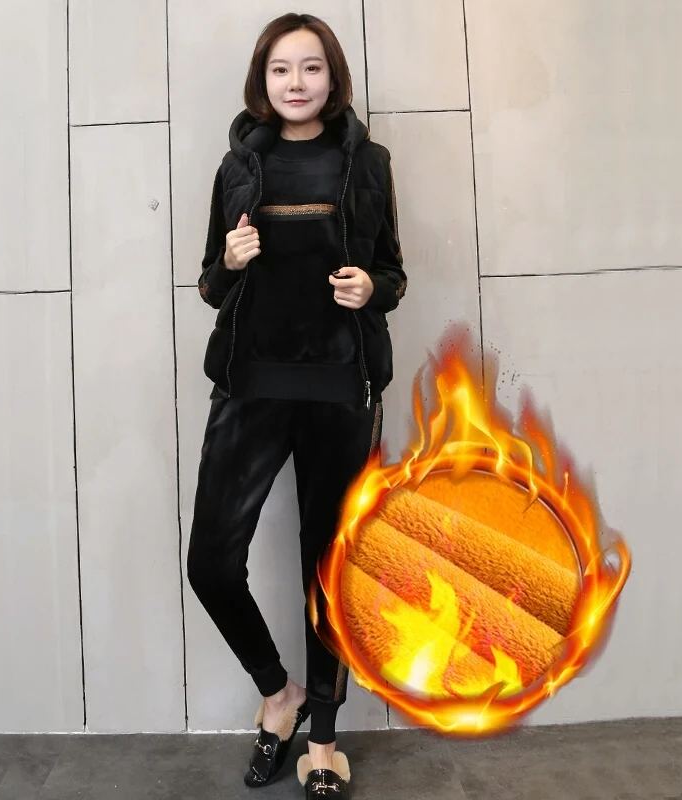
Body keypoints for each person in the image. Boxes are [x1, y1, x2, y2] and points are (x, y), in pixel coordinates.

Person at [187, 12, 406, 799]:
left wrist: (369, 287)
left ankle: (322, 739)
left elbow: (393, 273)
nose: (297, 83)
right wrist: (229, 259)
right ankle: (279, 693)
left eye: (311, 67)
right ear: (263, 80)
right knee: (211, 562)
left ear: (332, 77)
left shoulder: (369, 163)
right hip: (252, 384)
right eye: (281, 69)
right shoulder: (238, 165)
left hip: (340, 387)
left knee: (328, 567)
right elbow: (211, 284)